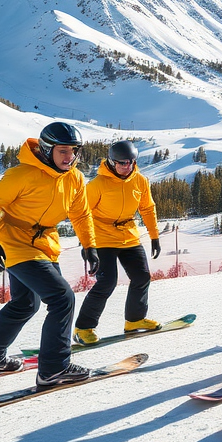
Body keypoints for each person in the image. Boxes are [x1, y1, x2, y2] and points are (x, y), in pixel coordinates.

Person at [0, 122, 98, 388]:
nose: (69, 157)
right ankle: (54, 369)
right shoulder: (22, 174)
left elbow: (81, 214)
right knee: (62, 298)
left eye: (74, 151)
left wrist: (90, 246)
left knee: (25, 303)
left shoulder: (74, 177)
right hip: (15, 241)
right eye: (63, 151)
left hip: (45, 243)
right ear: (46, 149)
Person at [73, 140, 161, 346]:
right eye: (122, 163)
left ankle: (135, 320)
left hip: (128, 234)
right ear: (111, 162)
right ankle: (83, 328)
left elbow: (147, 208)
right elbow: (81, 214)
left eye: (130, 162)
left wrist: (154, 236)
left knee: (142, 276)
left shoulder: (140, 181)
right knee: (107, 282)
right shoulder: (97, 185)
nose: (127, 167)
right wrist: (87, 244)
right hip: (102, 237)